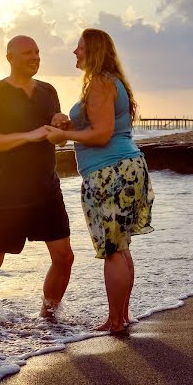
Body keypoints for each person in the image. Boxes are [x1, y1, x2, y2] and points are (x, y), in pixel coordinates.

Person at [45, 28, 154, 333]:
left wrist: (65, 133)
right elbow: (100, 125)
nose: (74, 52)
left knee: (113, 249)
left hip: (110, 172)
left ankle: (115, 320)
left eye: (79, 48)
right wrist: (68, 121)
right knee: (121, 247)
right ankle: (122, 315)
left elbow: (102, 134)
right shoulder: (109, 81)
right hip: (126, 167)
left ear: (91, 51)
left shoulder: (100, 83)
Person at [0, 35, 74, 318]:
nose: (35, 57)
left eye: (38, 52)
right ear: (10, 58)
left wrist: (60, 126)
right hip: (5, 192)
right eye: (28, 52)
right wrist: (29, 135)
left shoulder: (48, 91)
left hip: (46, 189)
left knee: (64, 257)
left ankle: (48, 318)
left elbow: (58, 141)